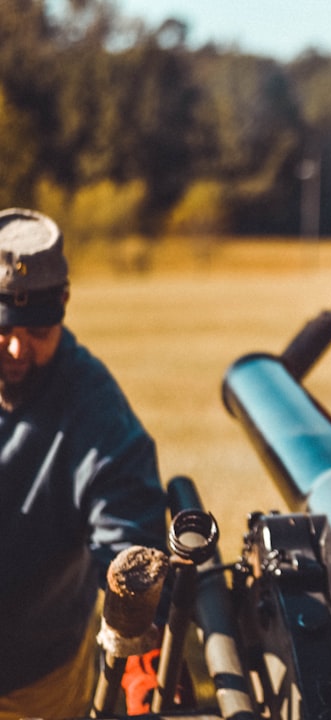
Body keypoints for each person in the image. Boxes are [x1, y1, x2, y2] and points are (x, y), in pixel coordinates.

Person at [0, 208, 168, 718]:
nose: (15, 347)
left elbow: (127, 527)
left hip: (33, 678)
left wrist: (138, 632)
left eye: (38, 331)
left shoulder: (92, 405)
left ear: (64, 309)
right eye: (3, 328)